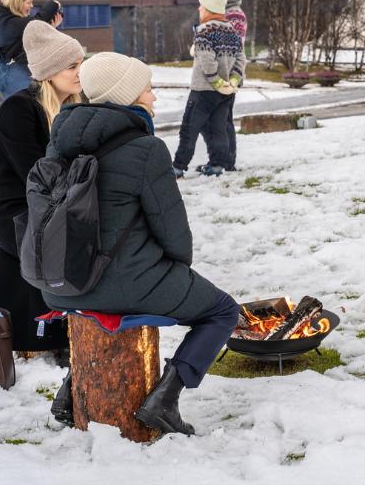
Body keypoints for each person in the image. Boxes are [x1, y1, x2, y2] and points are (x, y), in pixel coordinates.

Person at [42, 52, 241, 435]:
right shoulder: (145, 149)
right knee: (221, 310)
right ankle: (165, 400)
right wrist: (177, 265)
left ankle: (71, 392)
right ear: (126, 95)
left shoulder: (60, 141)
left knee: (102, 298)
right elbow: (174, 233)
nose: (153, 97)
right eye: (148, 88)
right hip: (127, 283)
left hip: (63, 286)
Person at [0, 20, 83, 363]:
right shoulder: (18, 110)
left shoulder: (74, 107)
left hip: (56, 204)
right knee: (67, 242)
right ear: (50, 71)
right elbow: (37, 177)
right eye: (72, 65)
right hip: (15, 211)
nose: (80, 71)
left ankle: (88, 325)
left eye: (81, 63)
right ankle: (58, 331)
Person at [173, 0, 247, 177]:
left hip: (203, 90)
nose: (199, 9)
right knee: (218, 129)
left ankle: (178, 167)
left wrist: (216, 81)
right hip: (225, 93)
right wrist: (232, 80)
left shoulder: (204, 31)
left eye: (202, 6)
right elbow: (241, 59)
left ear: (209, 9)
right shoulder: (232, 31)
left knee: (189, 129)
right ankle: (217, 165)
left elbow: (206, 61)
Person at [0, 0, 37, 98]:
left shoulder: (4, 21)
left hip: (13, 81)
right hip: (18, 82)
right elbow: (41, 19)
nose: (32, 6)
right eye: (28, 2)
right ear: (18, 3)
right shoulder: (14, 24)